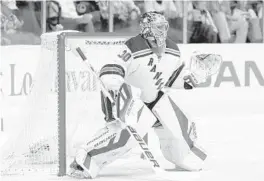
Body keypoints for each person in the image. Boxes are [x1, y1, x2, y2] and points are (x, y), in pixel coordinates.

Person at [69, 11, 208, 179]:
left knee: (180, 126)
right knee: (123, 139)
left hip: (155, 97)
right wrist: (113, 79)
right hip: (129, 99)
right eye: (158, 27)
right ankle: (85, 161)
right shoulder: (133, 46)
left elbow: (170, 78)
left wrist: (189, 79)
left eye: (164, 26)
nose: (162, 31)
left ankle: (185, 157)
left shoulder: (173, 49)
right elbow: (115, 65)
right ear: (147, 29)